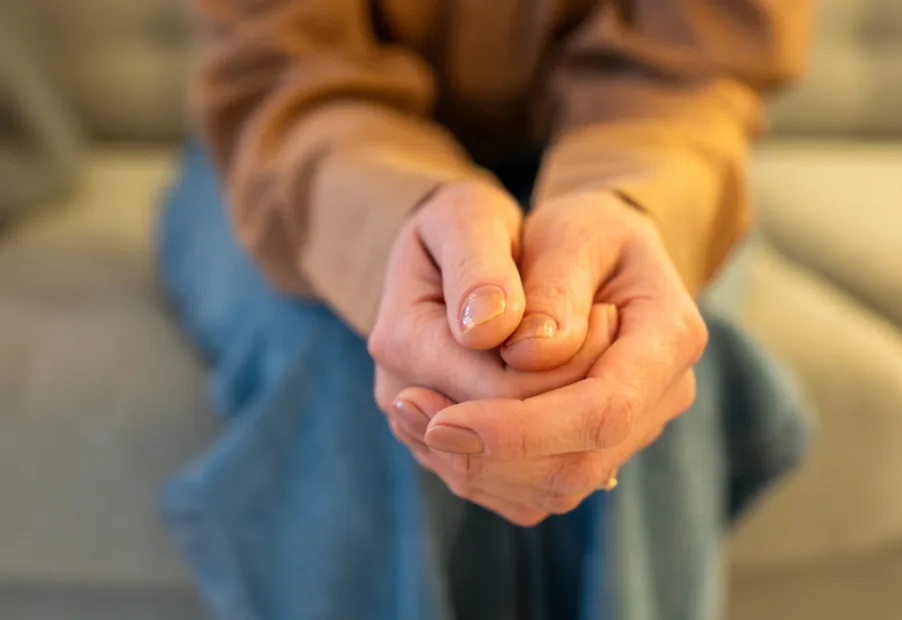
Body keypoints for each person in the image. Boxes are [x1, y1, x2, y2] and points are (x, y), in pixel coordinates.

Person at [158, 1, 812, 619]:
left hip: (647, 146)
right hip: (290, 145)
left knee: (619, 347)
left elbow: (694, 68)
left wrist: (622, 202)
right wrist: (399, 216)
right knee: (357, 356)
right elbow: (285, 69)